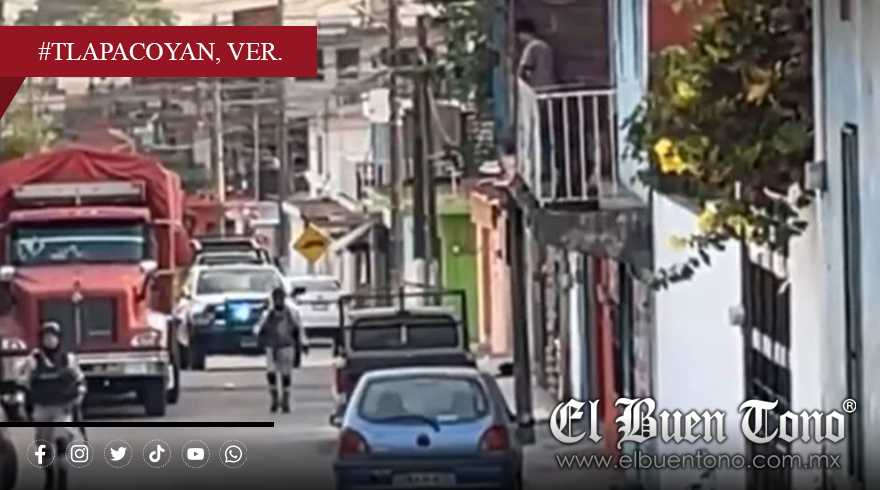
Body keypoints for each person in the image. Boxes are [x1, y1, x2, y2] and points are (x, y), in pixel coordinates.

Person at [19, 322, 86, 490]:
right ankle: (49, 478)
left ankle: (63, 480)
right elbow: (23, 382)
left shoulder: (67, 359)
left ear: (59, 338)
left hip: (63, 407)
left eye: (53, 336)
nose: (50, 340)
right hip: (42, 408)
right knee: (43, 447)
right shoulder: (34, 360)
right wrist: (23, 401)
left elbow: (80, 380)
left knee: (62, 440)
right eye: (46, 337)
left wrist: (78, 396)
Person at [255, 287, 302, 413]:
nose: (278, 301)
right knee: (271, 373)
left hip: (287, 346)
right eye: (276, 298)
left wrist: (300, 346)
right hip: (272, 347)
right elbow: (259, 329)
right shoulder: (267, 315)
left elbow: (298, 329)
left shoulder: (291, 313)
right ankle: (275, 398)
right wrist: (260, 341)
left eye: (280, 298)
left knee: (286, 373)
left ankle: (285, 399)